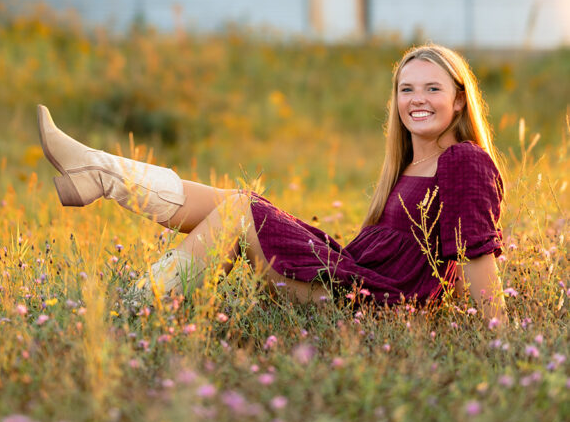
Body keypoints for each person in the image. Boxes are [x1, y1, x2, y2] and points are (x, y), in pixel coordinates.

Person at [37, 43, 507, 319]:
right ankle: (100, 174)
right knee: (240, 202)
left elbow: (476, 258)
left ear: (460, 101)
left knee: (241, 211)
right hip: (357, 281)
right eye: (407, 89)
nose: (417, 99)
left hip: (379, 303)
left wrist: (493, 339)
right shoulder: (408, 165)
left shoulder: (463, 161)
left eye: (432, 88)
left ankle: (135, 311)